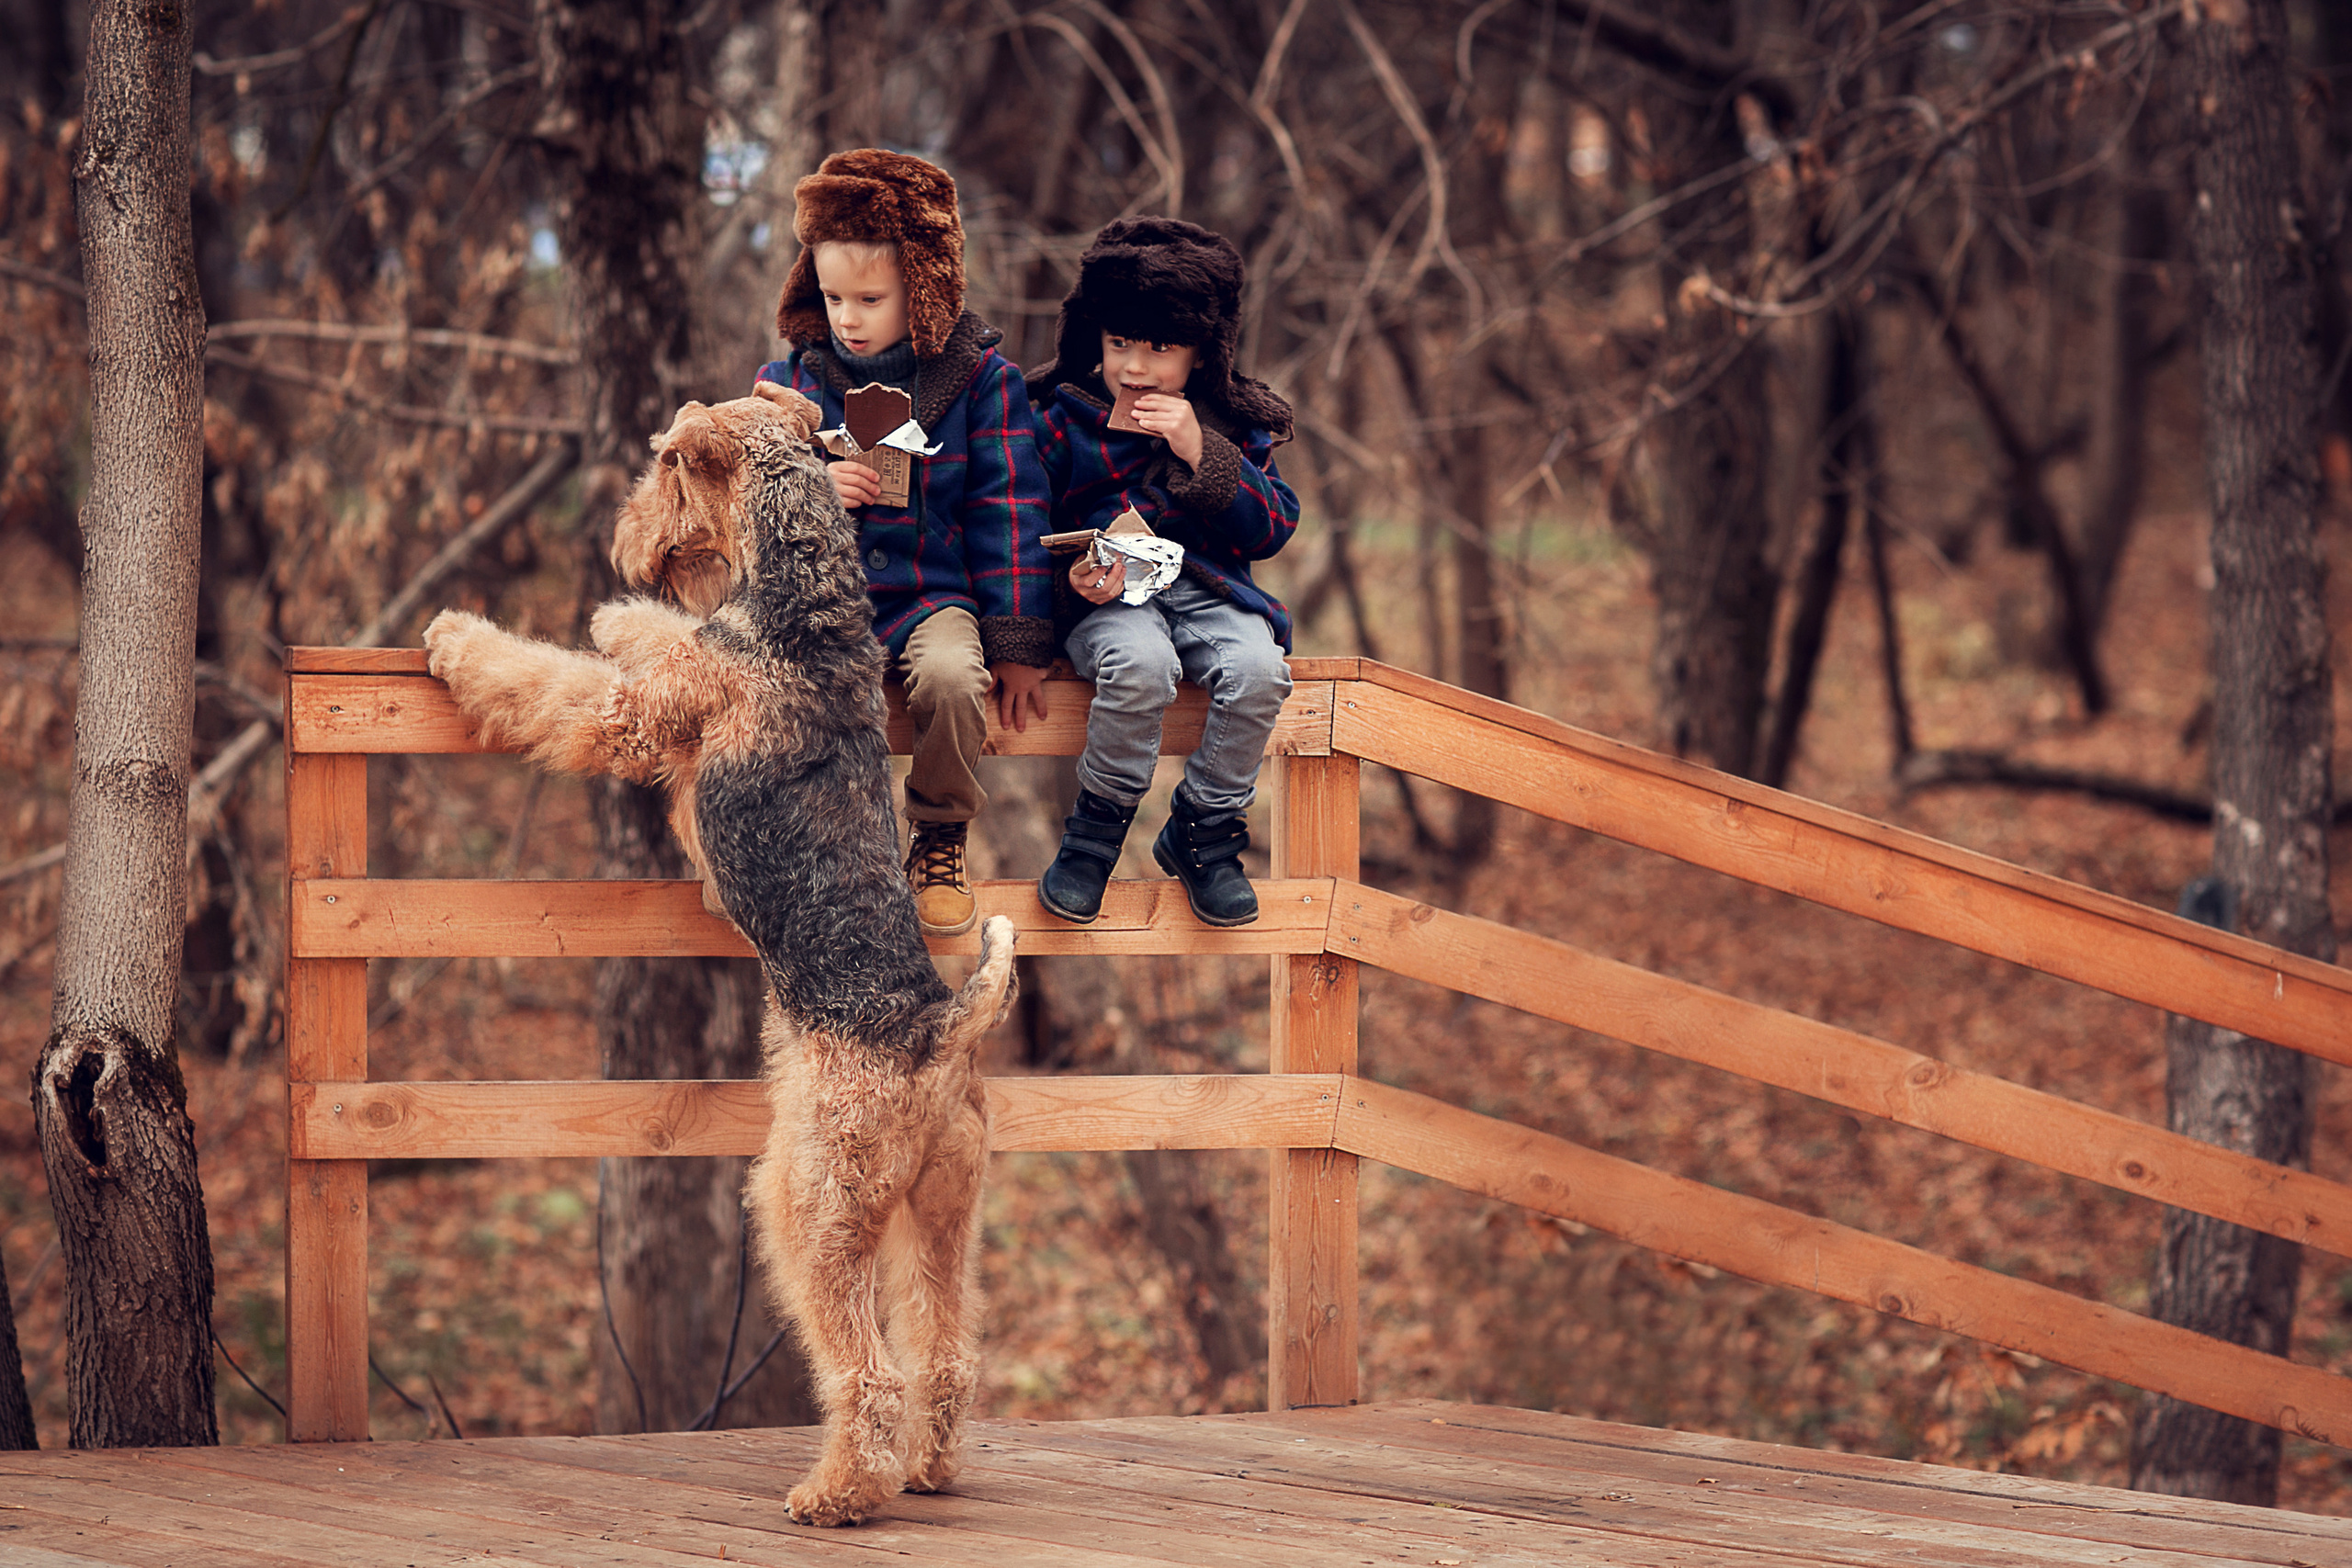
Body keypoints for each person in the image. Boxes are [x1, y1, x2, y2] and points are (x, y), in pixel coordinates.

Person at [757, 148, 1055, 936]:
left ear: (921, 287)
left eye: (869, 297)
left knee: (957, 680)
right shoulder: (792, 382)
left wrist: (1018, 639)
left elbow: (1011, 507)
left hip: (931, 597)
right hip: (823, 605)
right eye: (831, 296)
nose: (847, 316)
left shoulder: (982, 381)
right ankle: (796, 853)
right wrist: (813, 490)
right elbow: (744, 504)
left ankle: (939, 835)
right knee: (774, 694)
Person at [1028, 218, 1300, 928]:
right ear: (1094, 336)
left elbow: (1272, 527)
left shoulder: (1234, 423)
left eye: (1161, 348)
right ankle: (1095, 832)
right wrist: (1072, 582)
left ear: (1202, 351)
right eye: (1120, 344)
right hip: (1112, 604)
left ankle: (1203, 832)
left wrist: (1200, 450)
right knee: (1141, 666)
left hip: (1212, 591)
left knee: (1261, 670)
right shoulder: (1061, 418)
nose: (1136, 368)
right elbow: (1022, 529)